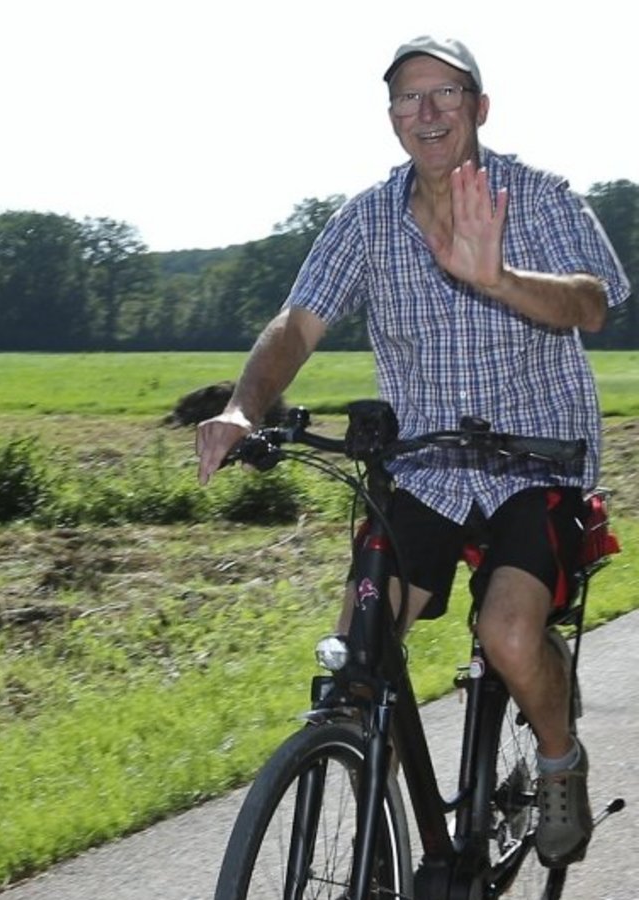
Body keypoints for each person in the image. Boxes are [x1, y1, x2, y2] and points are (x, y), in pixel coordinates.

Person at [195, 35, 629, 866]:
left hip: (536, 463)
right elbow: (296, 323)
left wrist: (498, 276)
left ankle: (559, 758)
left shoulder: (536, 198)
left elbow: (591, 303)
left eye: (444, 95)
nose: (425, 114)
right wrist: (245, 408)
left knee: (508, 634)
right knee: (361, 654)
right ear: (391, 115)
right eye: (407, 98)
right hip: (425, 467)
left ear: (479, 108)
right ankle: (375, 837)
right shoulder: (364, 218)